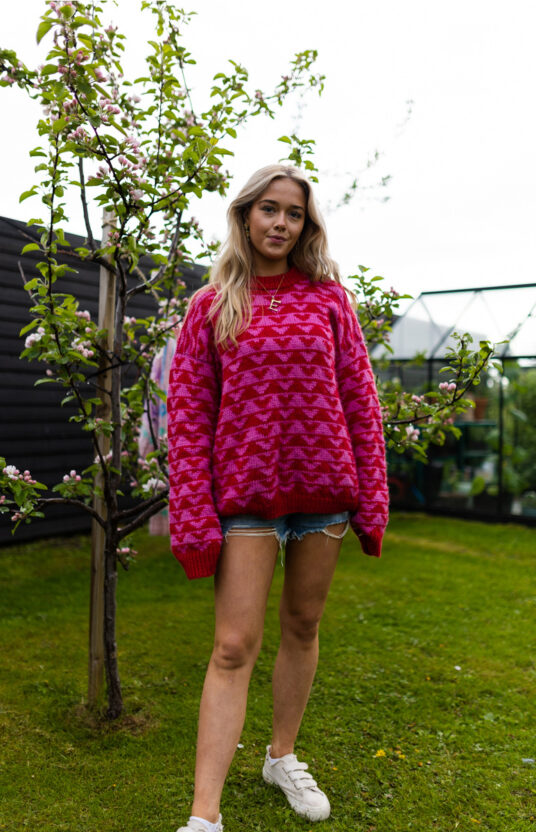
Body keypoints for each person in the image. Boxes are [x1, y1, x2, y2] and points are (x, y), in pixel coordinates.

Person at [167, 164, 389, 832]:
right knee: (233, 646)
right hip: (245, 499)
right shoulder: (211, 306)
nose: (281, 223)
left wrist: (372, 500)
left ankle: (281, 755)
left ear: (305, 225)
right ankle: (205, 815)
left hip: (324, 496)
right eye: (269, 209)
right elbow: (188, 417)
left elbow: (360, 401)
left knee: (302, 626)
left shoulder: (330, 300)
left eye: (294, 213)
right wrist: (194, 516)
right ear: (245, 215)